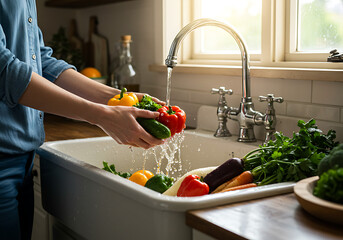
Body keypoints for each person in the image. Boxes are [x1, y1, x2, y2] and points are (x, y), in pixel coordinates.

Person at [0, 1, 164, 239]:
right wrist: (99, 115)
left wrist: (117, 98)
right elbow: (5, 70)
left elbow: (41, 63)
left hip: (23, 157)